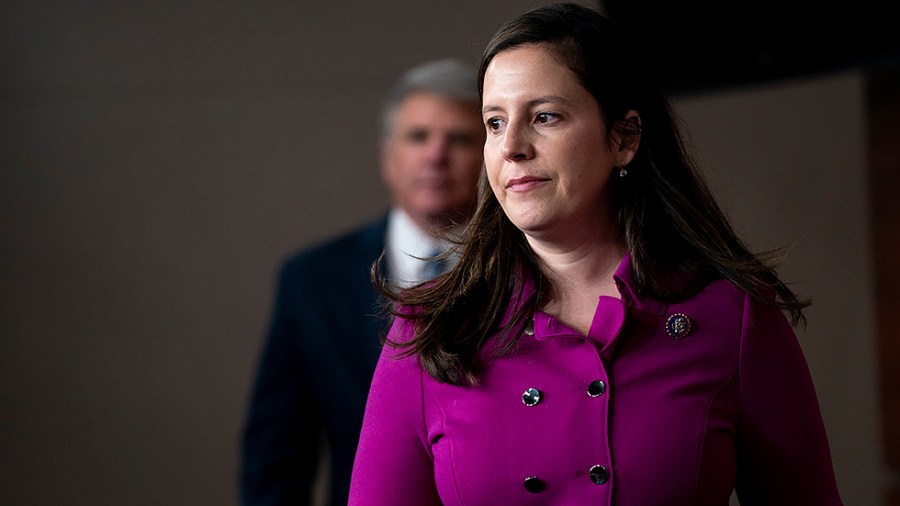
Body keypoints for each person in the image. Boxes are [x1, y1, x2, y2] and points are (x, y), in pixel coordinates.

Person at [348, 3, 844, 505]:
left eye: (544, 117)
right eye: (495, 123)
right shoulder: (428, 324)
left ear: (623, 137)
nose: (512, 146)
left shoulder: (734, 315)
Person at [241, 58, 485, 506]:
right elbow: (275, 459)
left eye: (460, 138)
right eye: (418, 136)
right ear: (387, 157)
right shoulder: (311, 279)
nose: (435, 154)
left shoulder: (536, 272)